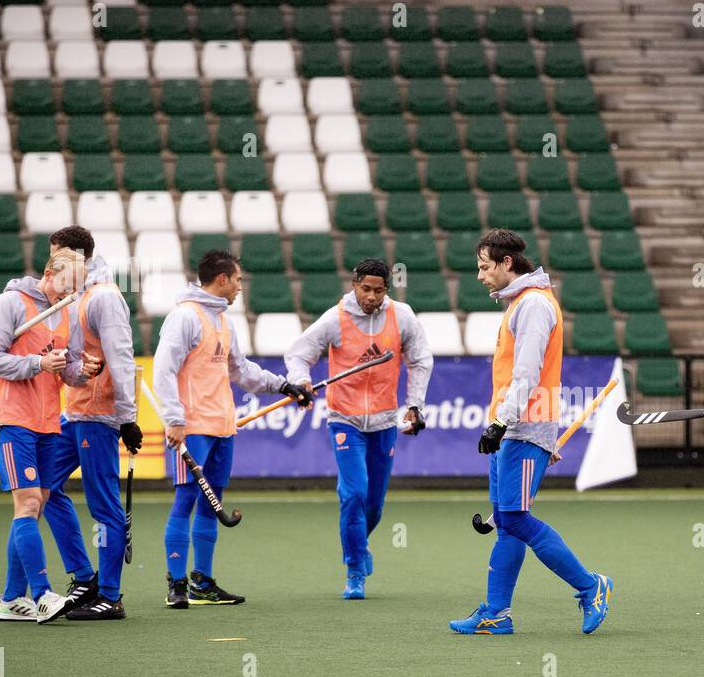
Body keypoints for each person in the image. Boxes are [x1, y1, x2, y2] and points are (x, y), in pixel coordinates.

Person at [449, 229, 613, 635]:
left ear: (507, 264)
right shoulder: (522, 303)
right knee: (506, 523)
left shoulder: (535, 304)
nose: (480, 275)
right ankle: (495, 613)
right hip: (516, 429)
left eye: (485, 267)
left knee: (516, 520)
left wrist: (503, 422)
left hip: (521, 428)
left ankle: (592, 587)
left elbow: (527, 371)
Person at [152, 250, 312, 608]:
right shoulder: (184, 317)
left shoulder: (224, 322)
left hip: (222, 428)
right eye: (238, 279)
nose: (240, 287)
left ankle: (202, 583)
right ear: (222, 279)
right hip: (191, 428)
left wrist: (285, 386)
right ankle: (176, 584)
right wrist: (175, 419)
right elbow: (162, 370)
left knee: (213, 503)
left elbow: (242, 371)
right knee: (186, 499)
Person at [284, 258, 434, 600]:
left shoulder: (403, 315)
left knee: (374, 505)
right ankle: (354, 569)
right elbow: (297, 354)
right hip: (344, 420)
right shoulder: (335, 319)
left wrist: (415, 405)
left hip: (384, 422)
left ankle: (359, 545)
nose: (371, 297)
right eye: (365, 289)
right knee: (353, 494)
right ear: (354, 285)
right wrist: (300, 380)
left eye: (379, 291)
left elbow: (421, 360)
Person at [0, 246, 99, 622]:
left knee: (34, 507)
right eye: (72, 280)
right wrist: (37, 362)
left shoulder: (68, 312)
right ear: (51, 272)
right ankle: (43, 593)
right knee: (29, 502)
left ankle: (12, 598)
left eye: (81, 283)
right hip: (13, 417)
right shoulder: (11, 302)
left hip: (49, 420)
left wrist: (84, 370)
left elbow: (68, 370)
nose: (75, 289)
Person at [37, 227, 143, 623]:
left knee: (104, 506)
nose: (53, 265)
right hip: (76, 412)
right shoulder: (77, 295)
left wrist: (127, 418)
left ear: (80, 256)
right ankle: (85, 577)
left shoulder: (104, 297)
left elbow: (121, 356)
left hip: (99, 415)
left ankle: (111, 596)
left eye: (59, 257)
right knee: (44, 489)